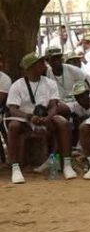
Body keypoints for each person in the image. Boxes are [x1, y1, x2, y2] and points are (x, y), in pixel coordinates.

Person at [5, 52, 76, 183]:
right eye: (40, 63)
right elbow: (13, 109)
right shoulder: (17, 85)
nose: (44, 65)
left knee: (63, 123)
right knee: (13, 126)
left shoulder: (50, 83)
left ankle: (67, 164)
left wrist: (48, 117)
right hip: (25, 119)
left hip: (45, 116)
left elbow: (54, 105)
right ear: (31, 67)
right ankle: (15, 168)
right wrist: (28, 116)